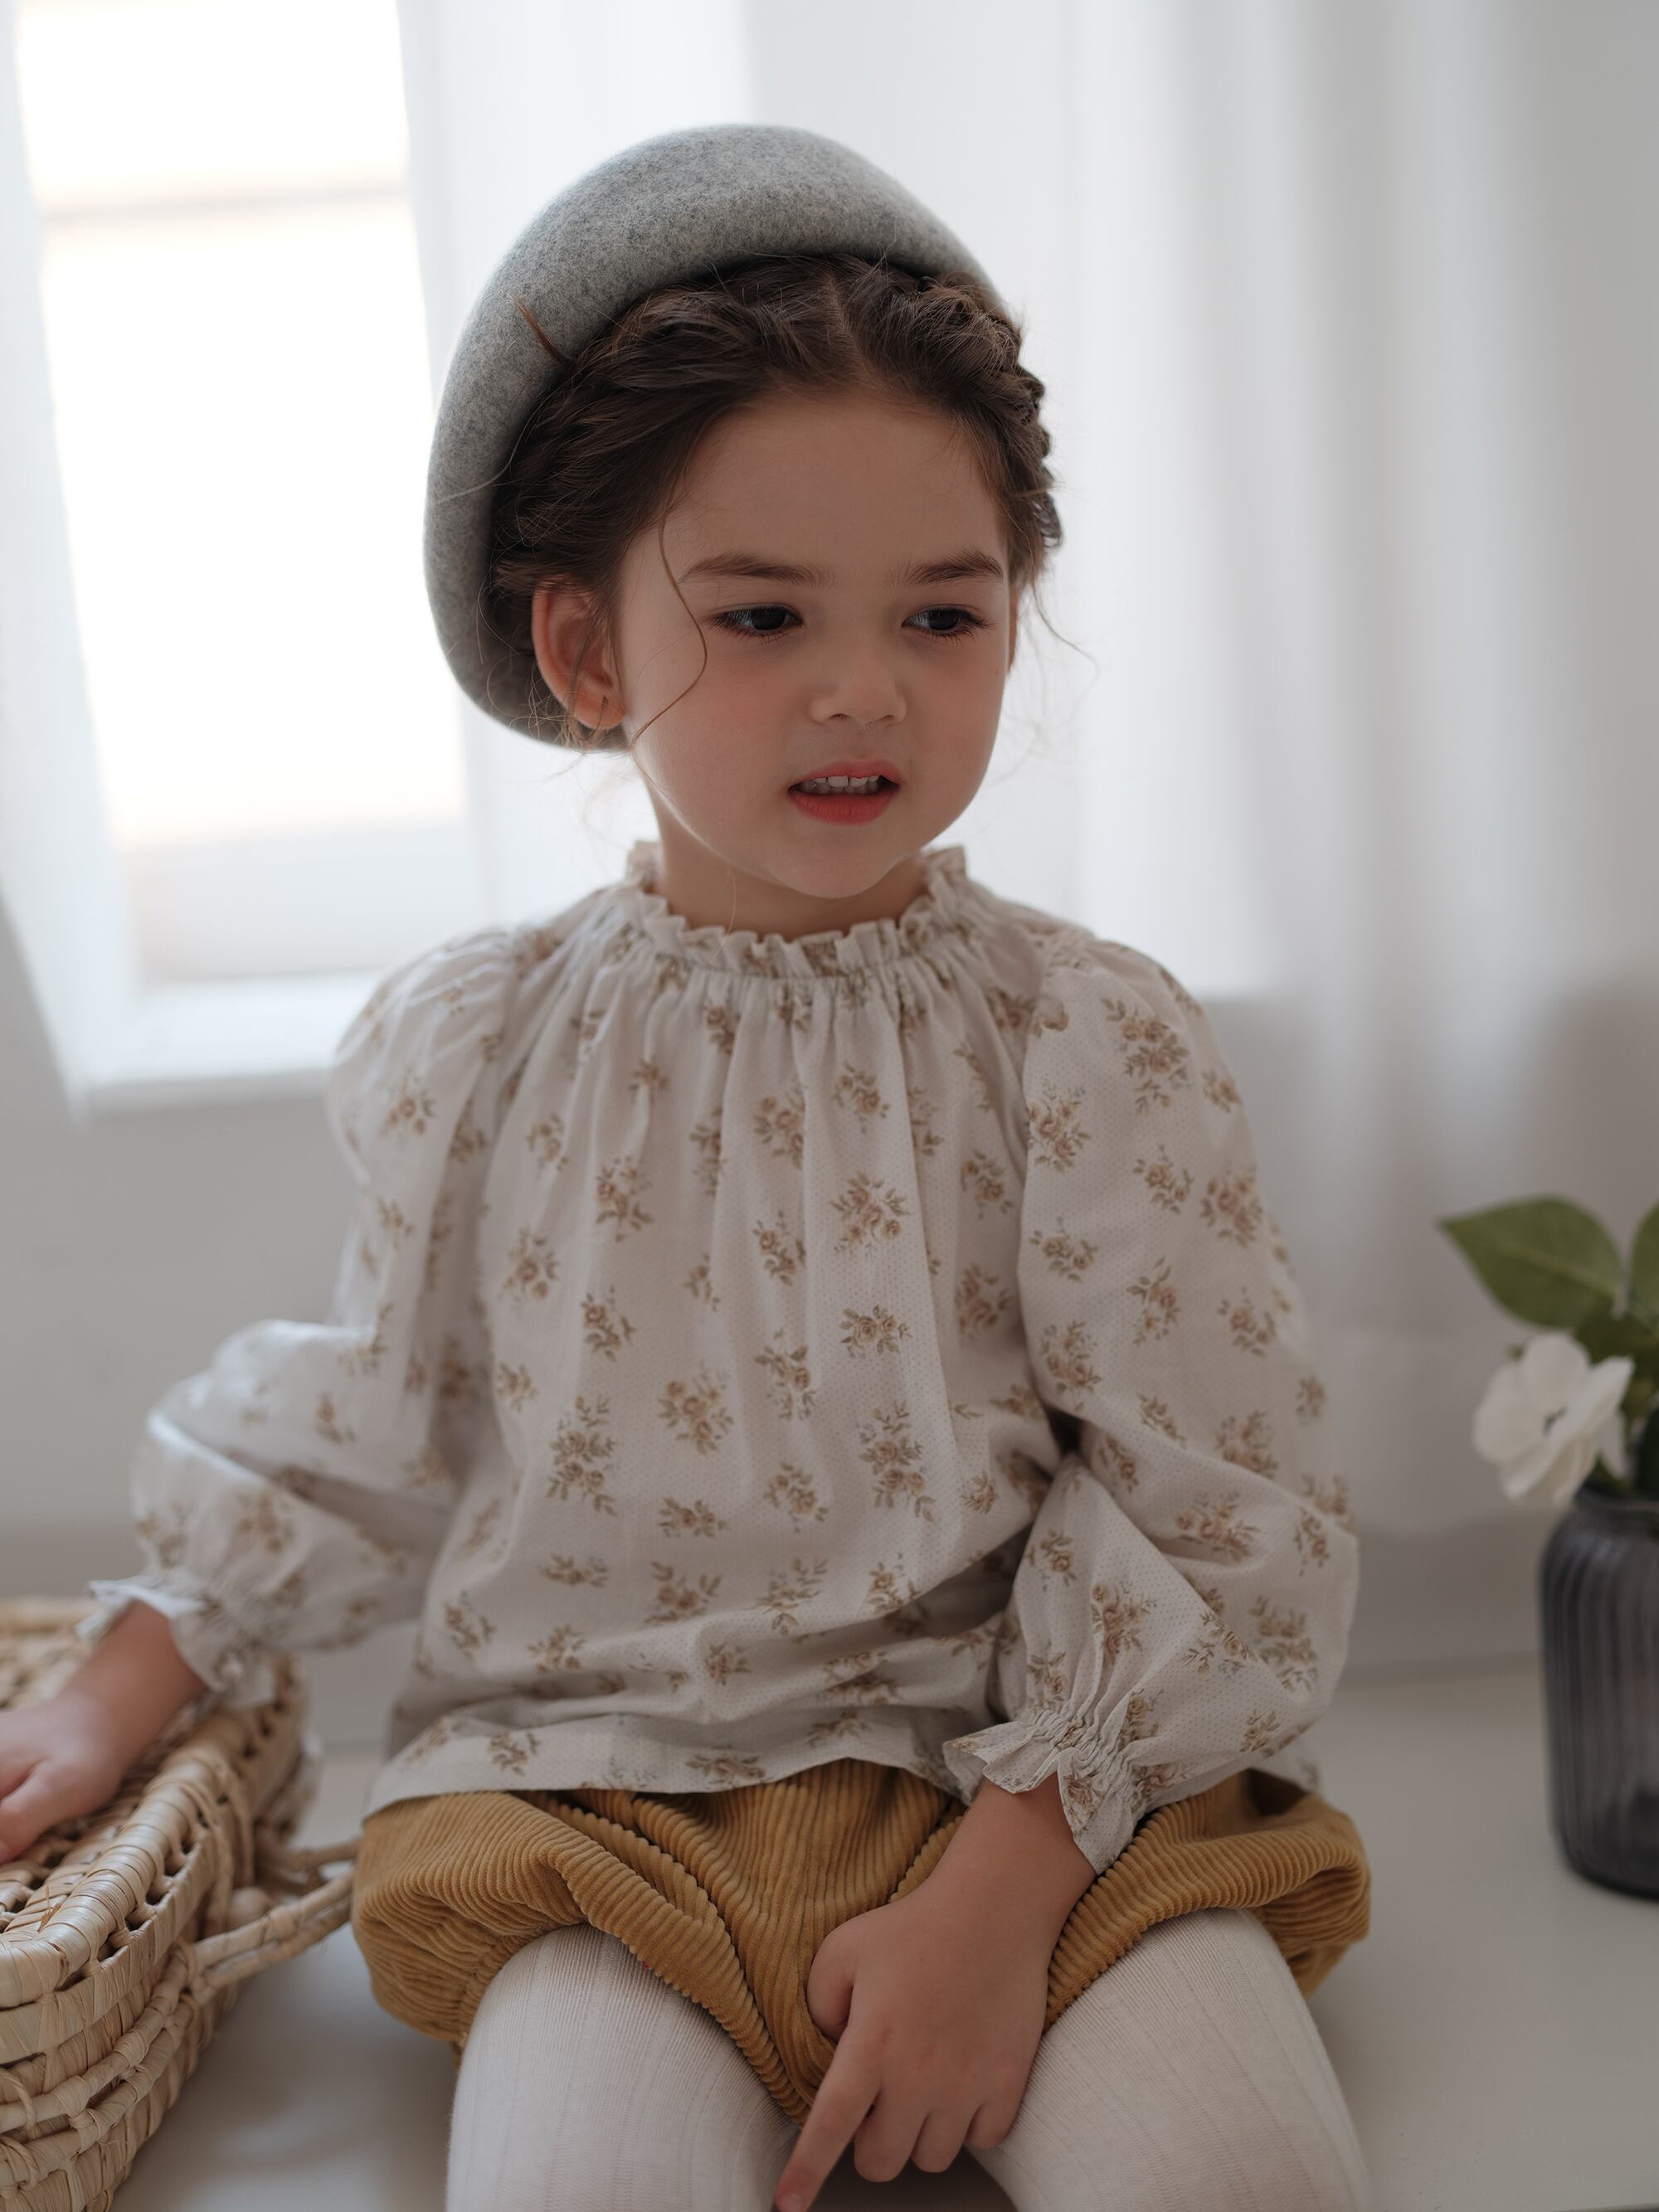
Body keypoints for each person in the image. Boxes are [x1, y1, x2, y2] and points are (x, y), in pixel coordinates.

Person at [0, 125, 1374, 2212]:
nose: (862, 684)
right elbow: (374, 1408)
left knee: (1248, 2181)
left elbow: (1217, 1479)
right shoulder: (487, 1042)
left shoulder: (1080, 1040)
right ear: (584, 654)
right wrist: (125, 1676)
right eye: (760, 612)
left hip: (1048, 1789)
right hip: (606, 1799)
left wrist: (1001, 1891)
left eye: (943, 610)